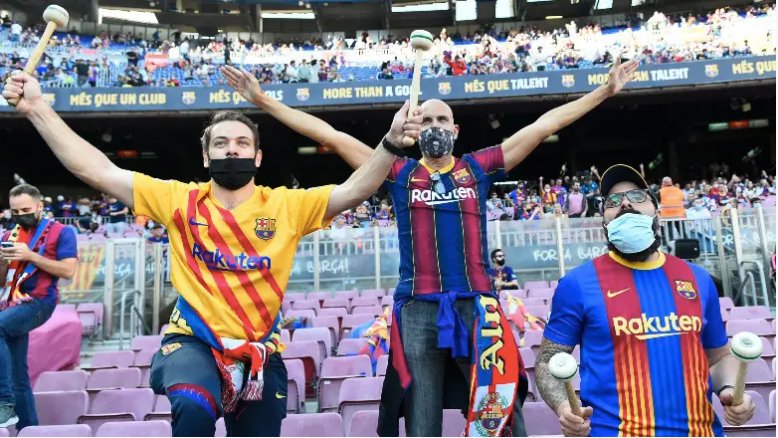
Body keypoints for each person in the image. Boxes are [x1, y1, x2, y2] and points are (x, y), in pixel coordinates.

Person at [219, 56, 639, 436]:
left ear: (455, 130)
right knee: (421, 420)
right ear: (415, 130)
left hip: (479, 307)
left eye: (443, 120)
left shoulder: (478, 168)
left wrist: (605, 90)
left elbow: (544, 125)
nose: (435, 126)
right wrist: (262, 99)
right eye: (427, 120)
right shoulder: (396, 172)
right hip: (417, 309)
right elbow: (328, 132)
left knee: (500, 411)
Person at [3, 70, 422, 437]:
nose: (232, 150)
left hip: (259, 355)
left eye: (242, 142)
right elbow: (96, 170)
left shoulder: (287, 206)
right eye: (221, 143)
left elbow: (355, 189)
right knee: (193, 405)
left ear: (258, 156)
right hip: (191, 343)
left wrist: (388, 143)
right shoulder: (177, 200)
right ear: (206, 156)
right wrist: (38, 107)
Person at [535, 164, 756, 437]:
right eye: (613, 201)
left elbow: (719, 356)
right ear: (604, 221)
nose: (625, 202)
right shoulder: (576, 284)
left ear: (658, 215)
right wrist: (563, 408)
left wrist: (730, 390)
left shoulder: (698, 279)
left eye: (638, 196)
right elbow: (547, 361)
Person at [0, 184, 77, 429]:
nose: (21, 214)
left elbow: (68, 270)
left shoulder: (62, 232)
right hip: (10, 303)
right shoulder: (8, 235)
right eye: (15, 210)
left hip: (40, 301)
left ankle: (3, 402)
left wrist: (30, 255)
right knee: (18, 377)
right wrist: (3, 263)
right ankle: (29, 429)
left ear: (40, 206)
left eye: (26, 209)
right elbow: (1, 282)